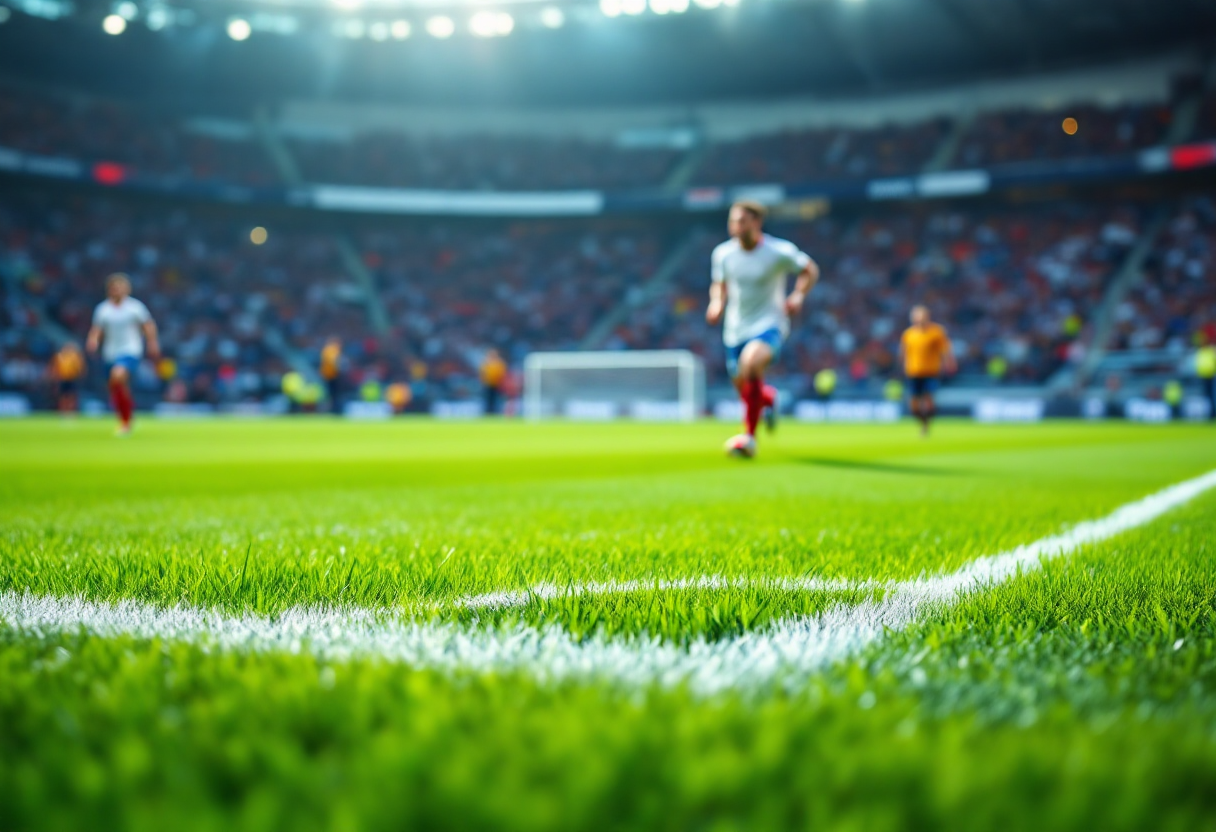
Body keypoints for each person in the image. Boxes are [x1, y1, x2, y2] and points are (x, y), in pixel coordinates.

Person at [707, 200, 820, 458]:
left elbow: (809, 269)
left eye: (741, 220)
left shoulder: (777, 250)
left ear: (756, 223)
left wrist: (798, 295)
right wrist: (716, 303)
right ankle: (769, 399)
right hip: (735, 328)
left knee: (751, 364)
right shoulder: (723, 254)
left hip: (769, 323)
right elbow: (719, 283)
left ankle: (749, 438)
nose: (735, 225)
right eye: (733, 220)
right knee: (746, 389)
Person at [85, 273, 159, 435]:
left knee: (117, 376)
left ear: (127, 289)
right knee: (117, 387)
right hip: (110, 352)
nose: (117, 290)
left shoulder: (135, 307)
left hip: (130, 349)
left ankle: (125, 422)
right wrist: (93, 341)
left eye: (120, 287)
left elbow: (148, 325)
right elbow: (97, 329)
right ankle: (127, 417)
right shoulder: (103, 309)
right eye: (114, 287)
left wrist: (152, 342)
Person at [899, 305, 956, 436]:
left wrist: (950, 362)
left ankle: (927, 425)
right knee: (914, 405)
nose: (918, 320)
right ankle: (923, 423)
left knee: (929, 400)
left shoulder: (936, 331)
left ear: (927, 317)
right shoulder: (908, 334)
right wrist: (900, 367)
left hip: (931, 371)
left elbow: (945, 349)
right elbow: (903, 352)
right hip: (913, 372)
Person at [49, 342, 86, 415]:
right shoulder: (59, 356)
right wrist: (55, 379)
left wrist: (80, 376)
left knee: (72, 397)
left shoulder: (75, 357)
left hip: (72, 379)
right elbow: (55, 368)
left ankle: (72, 412)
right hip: (63, 379)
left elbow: (80, 369)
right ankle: (63, 411)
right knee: (62, 397)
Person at [480, 348, 507, 415]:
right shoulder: (486, 363)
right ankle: (487, 412)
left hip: (497, 385)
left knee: (496, 400)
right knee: (487, 400)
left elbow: (502, 373)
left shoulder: (499, 363)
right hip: (488, 384)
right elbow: (482, 373)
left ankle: (495, 412)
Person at [320, 337, 342, 412]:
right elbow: (333, 361)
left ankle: (332, 408)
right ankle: (333, 409)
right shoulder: (332, 349)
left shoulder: (327, 349)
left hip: (328, 374)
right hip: (331, 375)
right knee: (333, 394)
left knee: (331, 394)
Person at [1196, 338, 1216, 421]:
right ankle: (1210, 413)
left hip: (1212, 376)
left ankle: (1213, 413)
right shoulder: (1201, 351)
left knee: (1212, 396)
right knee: (1207, 396)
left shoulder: (1211, 351)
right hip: (1204, 376)